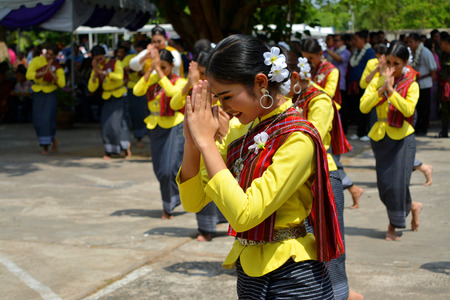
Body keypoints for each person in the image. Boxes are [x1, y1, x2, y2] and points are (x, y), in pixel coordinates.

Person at [177, 34, 344, 299]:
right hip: (248, 272)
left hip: (293, 276)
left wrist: (208, 143)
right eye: (218, 98)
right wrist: (192, 143)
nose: (223, 106)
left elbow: (245, 215)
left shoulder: (298, 137)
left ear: (260, 82)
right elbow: (193, 201)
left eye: (227, 96)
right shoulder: (239, 130)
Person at [290, 44, 363, 300]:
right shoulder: (287, 98)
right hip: (295, 174)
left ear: (295, 76)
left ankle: (341, 293)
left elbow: (316, 139)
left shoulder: (319, 97)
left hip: (320, 173)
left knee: (329, 241)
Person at [360, 41, 423, 241]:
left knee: (398, 184)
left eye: (397, 63)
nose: (392, 68)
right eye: (389, 62)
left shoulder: (411, 84)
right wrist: (382, 89)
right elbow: (363, 106)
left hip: (403, 137)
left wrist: (392, 91)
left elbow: (408, 110)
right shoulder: (377, 81)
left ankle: (392, 226)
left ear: (405, 63)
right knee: (385, 185)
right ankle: (412, 206)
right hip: (380, 136)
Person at [303, 38, 365, 210]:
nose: (307, 63)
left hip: (328, 118)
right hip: (310, 115)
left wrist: (309, 83)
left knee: (330, 159)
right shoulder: (311, 70)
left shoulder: (332, 71)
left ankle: (348, 190)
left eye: (310, 59)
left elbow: (329, 95)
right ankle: (353, 188)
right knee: (328, 160)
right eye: (304, 59)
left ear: (320, 54)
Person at [133, 48, 187, 220]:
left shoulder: (179, 81)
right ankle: (170, 202)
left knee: (169, 168)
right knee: (159, 169)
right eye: (159, 67)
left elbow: (173, 94)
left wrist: (161, 75)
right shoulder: (153, 78)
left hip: (174, 126)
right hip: (155, 127)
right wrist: (150, 70)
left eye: (164, 67)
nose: (161, 70)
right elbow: (137, 90)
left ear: (172, 66)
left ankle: (169, 205)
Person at [87, 45, 130, 159]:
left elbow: (119, 76)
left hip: (119, 95)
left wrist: (103, 72)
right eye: (96, 60)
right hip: (107, 97)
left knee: (117, 124)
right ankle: (109, 150)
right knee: (106, 124)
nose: (99, 61)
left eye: (101, 58)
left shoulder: (115, 63)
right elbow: (91, 88)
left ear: (104, 55)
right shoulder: (96, 69)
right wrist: (96, 75)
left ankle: (125, 148)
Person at [26, 43, 65, 155]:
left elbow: (62, 84)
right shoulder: (37, 61)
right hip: (38, 92)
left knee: (47, 119)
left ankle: (45, 146)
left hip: (50, 93)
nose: (49, 56)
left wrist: (52, 74)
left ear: (55, 56)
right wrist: (43, 73)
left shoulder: (57, 66)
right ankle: (52, 139)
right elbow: (29, 75)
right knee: (38, 120)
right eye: (47, 53)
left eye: (52, 55)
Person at [348, 30, 376, 141]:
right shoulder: (356, 52)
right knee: (358, 109)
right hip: (356, 84)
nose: (354, 42)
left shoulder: (369, 52)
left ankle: (367, 132)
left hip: (366, 84)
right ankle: (360, 132)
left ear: (363, 40)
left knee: (366, 109)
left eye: (356, 39)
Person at [408, 33, 438, 136]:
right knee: (417, 107)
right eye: (408, 42)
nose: (409, 44)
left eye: (411, 42)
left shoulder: (425, 52)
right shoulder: (412, 53)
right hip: (415, 83)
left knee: (424, 108)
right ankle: (417, 127)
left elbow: (433, 68)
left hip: (425, 83)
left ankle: (423, 128)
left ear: (418, 42)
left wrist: (431, 80)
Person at [122, 41, 149, 147]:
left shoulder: (148, 59)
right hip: (131, 89)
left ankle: (140, 137)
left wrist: (138, 70)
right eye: (137, 49)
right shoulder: (130, 58)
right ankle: (131, 139)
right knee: (132, 113)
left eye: (140, 50)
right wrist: (135, 68)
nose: (138, 51)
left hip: (145, 89)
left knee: (142, 114)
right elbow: (124, 68)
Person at [436, 34, 450, 138]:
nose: (440, 45)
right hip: (444, 85)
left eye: (442, 44)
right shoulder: (441, 54)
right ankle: (444, 131)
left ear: (447, 43)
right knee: (444, 109)